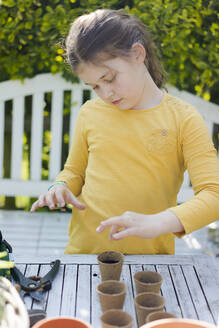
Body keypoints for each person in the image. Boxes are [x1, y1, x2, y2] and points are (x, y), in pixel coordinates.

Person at [30, 9, 219, 254]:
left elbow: (214, 195)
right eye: (95, 86)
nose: (106, 93)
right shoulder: (91, 112)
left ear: (138, 54)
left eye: (109, 78)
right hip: (85, 255)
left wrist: (159, 222)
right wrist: (60, 186)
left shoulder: (183, 119)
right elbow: (74, 171)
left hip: (150, 263)